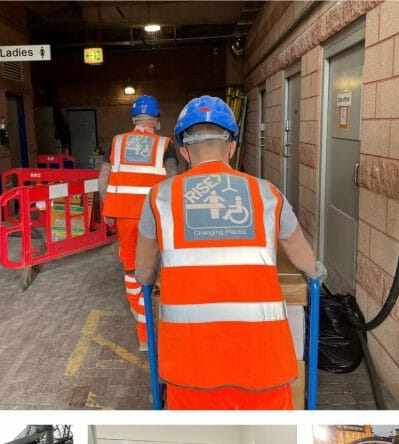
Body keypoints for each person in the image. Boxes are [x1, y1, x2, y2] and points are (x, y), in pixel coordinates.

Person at [134, 95, 325, 410]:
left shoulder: (160, 197)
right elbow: (300, 251)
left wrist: (149, 278)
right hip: (263, 361)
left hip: (190, 364)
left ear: (183, 150)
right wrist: (316, 274)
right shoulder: (267, 193)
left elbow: (143, 269)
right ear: (232, 147)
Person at [98, 95, 178, 352]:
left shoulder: (117, 142)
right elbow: (173, 179)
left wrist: (107, 206)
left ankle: (145, 335)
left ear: (134, 119)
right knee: (162, 265)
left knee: (133, 270)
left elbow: (104, 177)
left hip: (124, 215)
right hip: (154, 216)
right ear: (156, 121)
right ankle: (167, 326)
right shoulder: (165, 144)